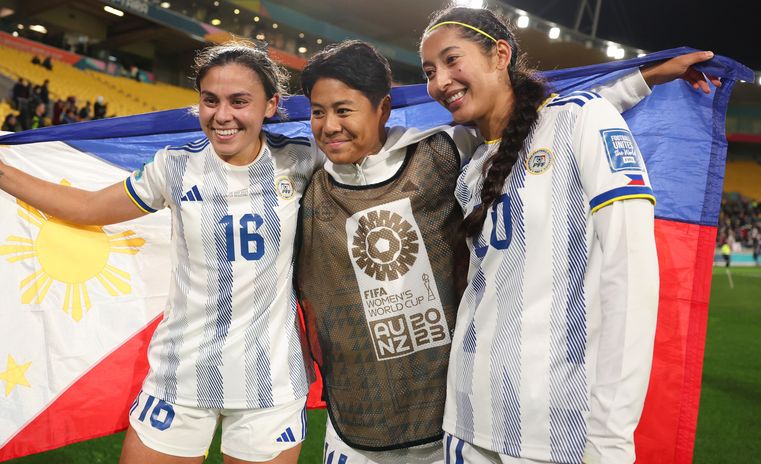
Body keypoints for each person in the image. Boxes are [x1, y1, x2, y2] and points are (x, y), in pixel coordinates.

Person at [296, 37, 718, 464]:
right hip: (359, 418)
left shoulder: (442, 152)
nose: (330, 126)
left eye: (343, 110)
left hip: (439, 416)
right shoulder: (304, 179)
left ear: (383, 108)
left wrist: (641, 80)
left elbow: (531, 123)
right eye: (317, 112)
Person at [0, 42, 319, 464]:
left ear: (270, 104)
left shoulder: (301, 160)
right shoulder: (174, 167)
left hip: (272, 382)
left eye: (239, 101)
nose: (222, 115)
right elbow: (89, 208)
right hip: (180, 377)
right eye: (210, 101)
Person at [418, 6, 674, 463]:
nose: (440, 82)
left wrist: (611, 435)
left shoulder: (583, 118)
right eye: (430, 71)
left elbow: (631, 279)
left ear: (500, 54)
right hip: (465, 419)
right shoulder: (470, 165)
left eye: (452, 60)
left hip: (556, 431)